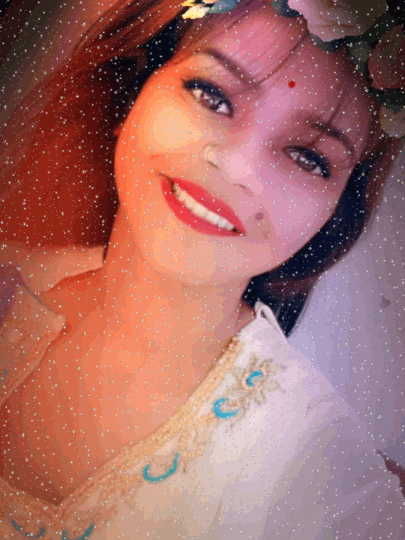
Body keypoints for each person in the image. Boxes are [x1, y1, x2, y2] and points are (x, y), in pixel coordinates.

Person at [0, 0, 404, 538]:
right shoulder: (10, 277)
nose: (235, 166)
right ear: (134, 90)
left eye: (308, 157)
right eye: (211, 95)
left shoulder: (328, 484)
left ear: (334, 214)